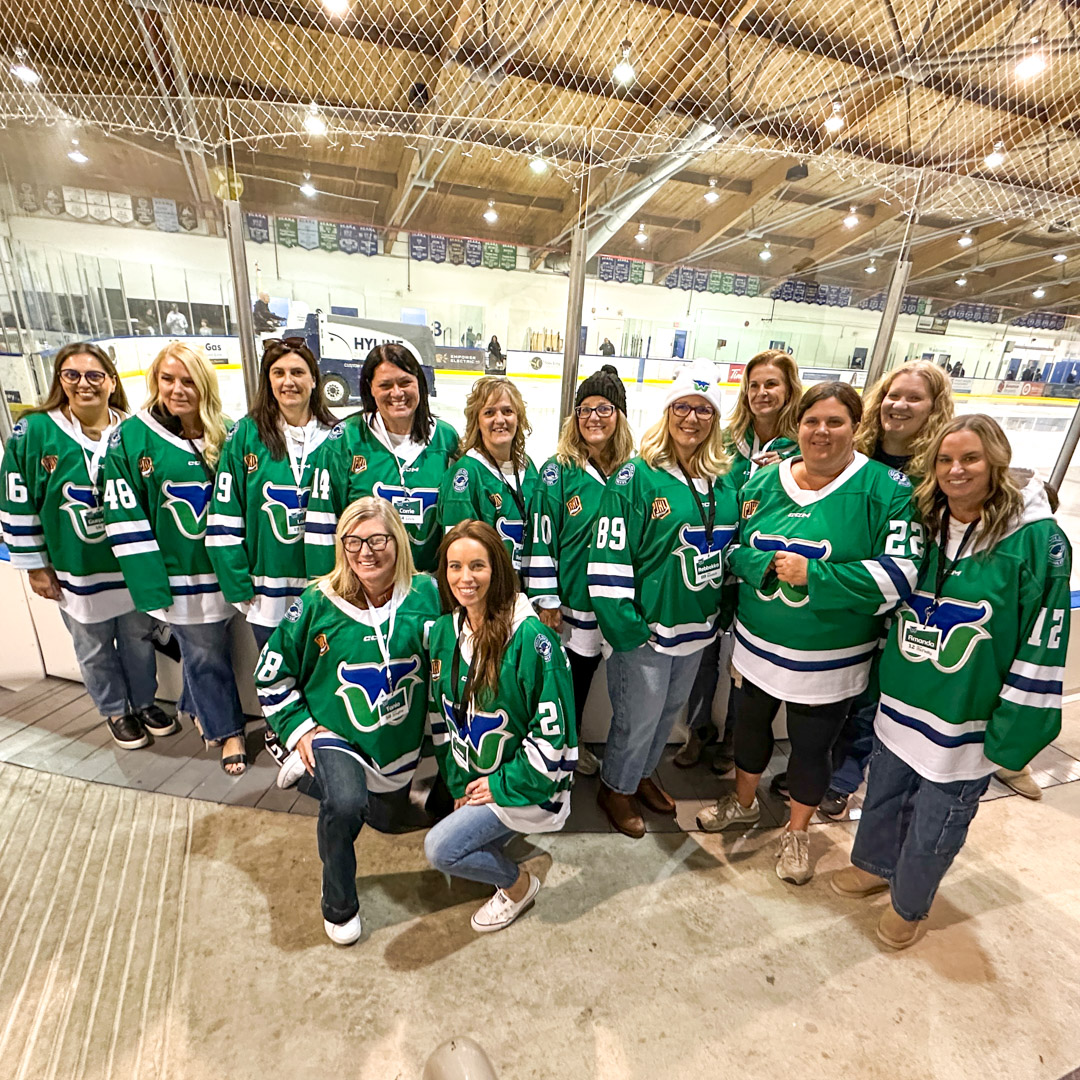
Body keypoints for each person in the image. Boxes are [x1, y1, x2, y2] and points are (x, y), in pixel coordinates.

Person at [831, 415, 1070, 948]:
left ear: (997, 463)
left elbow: (1045, 638)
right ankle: (873, 864)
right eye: (944, 460)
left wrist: (1018, 723)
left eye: (971, 459)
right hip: (903, 697)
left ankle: (910, 904)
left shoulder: (1037, 541)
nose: (955, 470)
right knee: (887, 789)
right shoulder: (924, 520)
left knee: (939, 817)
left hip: (968, 711)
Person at [698, 382, 921, 886]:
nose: (821, 432)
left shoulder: (887, 490)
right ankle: (744, 802)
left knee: (811, 747)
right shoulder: (760, 485)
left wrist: (814, 576)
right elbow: (729, 551)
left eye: (835, 422)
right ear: (797, 426)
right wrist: (766, 565)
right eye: (812, 422)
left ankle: (797, 831)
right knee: (750, 732)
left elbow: (902, 574)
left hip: (832, 658)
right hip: (757, 647)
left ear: (857, 427)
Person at [257, 497, 441, 945]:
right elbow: (269, 673)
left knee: (386, 814)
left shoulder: (428, 594)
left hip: (400, 738)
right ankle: (337, 901)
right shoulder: (316, 602)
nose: (366, 551)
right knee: (345, 807)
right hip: (338, 733)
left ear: (397, 541)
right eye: (354, 541)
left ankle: (309, 776)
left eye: (378, 539)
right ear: (341, 545)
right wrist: (300, 728)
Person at [588, 362, 739, 837]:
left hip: (696, 628)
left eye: (703, 409)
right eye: (682, 407)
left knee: (665, 718)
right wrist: (629, 631)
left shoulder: (724, 479)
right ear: (667, 412)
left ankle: (640, 775)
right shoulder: (637, 477)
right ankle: (615, 786)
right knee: (637, 720)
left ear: (714, 419)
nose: (691, 418)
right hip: (648, 632)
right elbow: (608, 560)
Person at [0, 343, 176, 749]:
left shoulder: (133, 430)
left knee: (138, 640)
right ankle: (116, 710)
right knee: (93, 647)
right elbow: (17, 496)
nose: (84, 384)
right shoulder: (36, 431)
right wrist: (34, 565)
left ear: (112, 382)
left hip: (131, 565)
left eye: (94, 375)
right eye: (72, 375)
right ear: (60, 380)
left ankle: (145, 702)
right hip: (74, 566)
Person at [804, 361, 954, 817]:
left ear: (934, 408)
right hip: (850, 587)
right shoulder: (855, 450)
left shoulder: (937, 466)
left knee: (873, 690)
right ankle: (816, 769)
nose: (900, 405)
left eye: (914, 398)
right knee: (846, 684)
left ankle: (846, 774)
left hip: (910, 594)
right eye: (893, 395)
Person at [102, 343, 247, 775]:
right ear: (155, 381)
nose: (177, 389)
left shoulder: (228, 431)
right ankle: (228, 731)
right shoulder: (131, 438)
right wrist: (150, 582)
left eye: (188, 380)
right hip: (180, 575)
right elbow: (123, 515)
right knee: (204, 654)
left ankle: (195, 704)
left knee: (206, 651)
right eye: (168, 379)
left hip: (232, 569)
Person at [425, 520, 575, 932]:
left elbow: (555, 737)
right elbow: (445, 722)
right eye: (455, 567)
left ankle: (519, 885)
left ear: (499, 570)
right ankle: (493, 836)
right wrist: (459, 785)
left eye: (477, 566)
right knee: (438, 817)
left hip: (525, 783)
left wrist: (499, 786)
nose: (464, 578)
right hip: (477, 776)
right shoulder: (443, 633)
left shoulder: (532, 639)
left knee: (439, 850)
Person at [207, 337, 336, 785]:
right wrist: (238, 583)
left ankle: (319, 737)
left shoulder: (336, 436)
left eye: (298, 372)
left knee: (321, 664)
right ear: (267, 380)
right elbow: (224, 514)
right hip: (267, 586)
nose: (288, 381)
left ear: (314, 378)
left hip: (326, 586)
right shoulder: (246, 435)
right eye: (278, 373)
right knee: (275, 663)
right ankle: (284, 731)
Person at [676, 349, 802, 772]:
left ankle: (733, 738)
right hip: (714, 563)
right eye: (754, 385)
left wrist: (791, 466)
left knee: (743, 665)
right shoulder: (726, 440)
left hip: (763, 572)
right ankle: (698, 730)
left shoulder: (802, 444)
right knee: (703, 658)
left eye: (772, 384)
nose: (761, 393)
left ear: (789, 390)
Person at [523, 365, 634, 777]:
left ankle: (624, 769)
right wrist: (547, 599)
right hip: (575, 607)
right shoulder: (558, 470)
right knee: (572, 686)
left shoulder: (635, 470)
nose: (593, 417)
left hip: (621, 606)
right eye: (584, 409)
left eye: (604, 408)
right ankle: (562, 754)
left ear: (620, 415)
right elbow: (541, 538)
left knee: (625, 694)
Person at [305, 343, 459, 577]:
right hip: (363, 590)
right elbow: (322, 520)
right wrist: (327, 590)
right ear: (371, 388)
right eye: (385, 385)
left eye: (405, 382)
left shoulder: (446, 439)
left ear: (420, 382)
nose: (397, 393)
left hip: (426, 591)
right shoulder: (345, 439)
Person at [438, 376, 538, 574]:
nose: (500, 420)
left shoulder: (528, 467)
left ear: (519, 417)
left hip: (525, 591)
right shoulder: (466, 474)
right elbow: (459, 555)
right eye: (489, 412)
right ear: (477, 420)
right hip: (486, 594)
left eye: (507, 411)